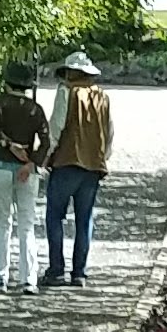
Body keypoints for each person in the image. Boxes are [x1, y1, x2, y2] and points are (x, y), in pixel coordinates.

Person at [40, 51, 113, 286]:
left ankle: (56, 270)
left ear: (71, 73)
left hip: (66, 163)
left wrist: (45, 156)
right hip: (93, 167)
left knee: (54, 216)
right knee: (84, 220)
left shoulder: (66, 93)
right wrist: (103, 157)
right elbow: (109, 134)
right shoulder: (102, 97)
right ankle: (79, 273)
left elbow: (57, 127)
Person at [0, 60, 50, 290]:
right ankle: (28, 279)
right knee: (26, 224)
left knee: (2, 222)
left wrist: (6, 143)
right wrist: (32, 164)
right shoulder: (35, 109)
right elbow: (46, 142)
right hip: (26, 169)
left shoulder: (0, 103)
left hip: (1, 165)